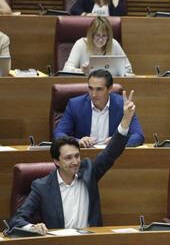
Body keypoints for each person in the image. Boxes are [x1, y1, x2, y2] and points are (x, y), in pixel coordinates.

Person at [8, 88, 136, 234]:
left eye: (77, 156)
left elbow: (111, 152)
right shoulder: (42, 186)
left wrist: (126, 119)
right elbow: (16, 220)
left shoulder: (89, 171)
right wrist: (33, 227)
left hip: (91, 242)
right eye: (68, 158)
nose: (75, 162)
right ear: (56, 161)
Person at [54, 69, 144, 148]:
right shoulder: (75, 105)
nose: (93, 94)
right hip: (84, 157)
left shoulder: (122, 105)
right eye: (90, 88)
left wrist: (118, 142)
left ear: (110, 89)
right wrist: (77, 142)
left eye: (99, 89)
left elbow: (138, 135)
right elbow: (59, 134)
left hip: (112, 157)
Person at [63, 16, 133, 75]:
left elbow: (129, 70)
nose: (100, 39)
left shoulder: (113, 43)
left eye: (104, 36)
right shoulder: (81, 44)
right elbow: (66, 70)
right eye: (97, 35)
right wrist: (81, 71)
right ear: (91, 34)